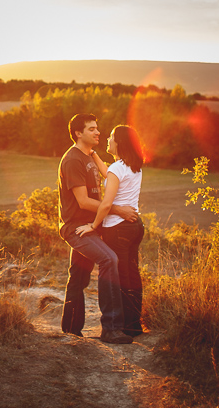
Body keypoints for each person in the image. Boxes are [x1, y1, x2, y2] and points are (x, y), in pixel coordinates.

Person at [58, 113, 138, 344]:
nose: (97, 132)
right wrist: (118, 210)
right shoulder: (73, 160)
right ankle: (111, 328)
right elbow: (83, 201)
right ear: (78, 134)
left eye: (97, 128)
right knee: (108, 260)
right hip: (77, 227)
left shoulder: (90, 156)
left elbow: (111, 176)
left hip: (90, 226)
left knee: (78, 277)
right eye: (91, 129)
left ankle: (70, 330)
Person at [76, 124, 146, 336]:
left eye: (112, 136)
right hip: (135, 226)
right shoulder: (133, 165)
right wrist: (95, 156)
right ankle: (134, 325)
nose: (107, 138)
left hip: (117, 229)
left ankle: (122, 327)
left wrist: (93, 226)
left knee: (121, 278)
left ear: (120, 142)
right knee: (133, 276)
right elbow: (110, 174)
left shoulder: (118, 169)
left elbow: (106, 205)